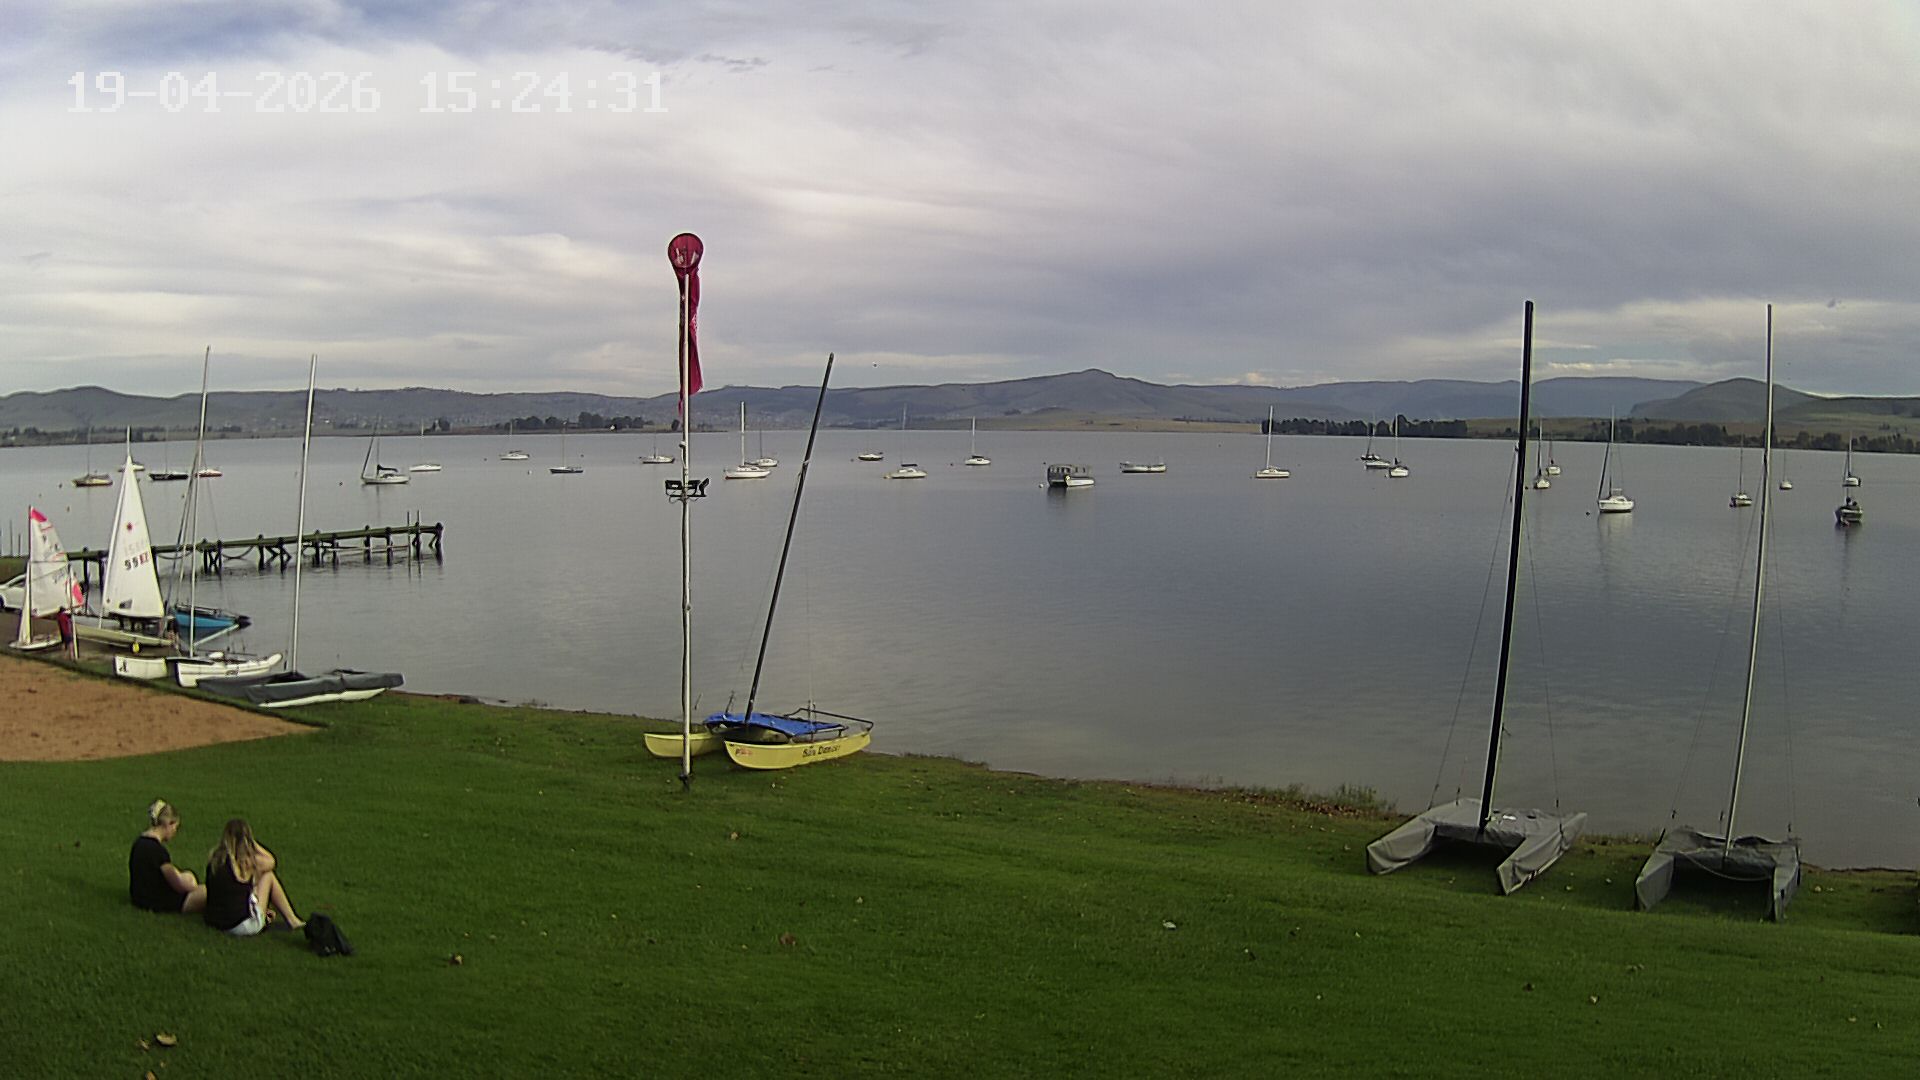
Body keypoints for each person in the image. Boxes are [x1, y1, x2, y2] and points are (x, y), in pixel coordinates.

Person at [203, 818, 305, 936]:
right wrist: (253, 843)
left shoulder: (215, 859)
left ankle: (268, 914)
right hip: (240, 926)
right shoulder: (246, 862)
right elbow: (271, 861)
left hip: (215, 920)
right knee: (268, 876)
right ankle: (292, 919)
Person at [128, 799, 207, 914]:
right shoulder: (158, 851)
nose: (175, 831)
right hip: (159, 902)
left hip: (139, 898)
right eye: (175, 827)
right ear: (168, 823)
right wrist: (190, 878)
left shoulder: (139, 843)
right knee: (209, 892)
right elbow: (179, 884)